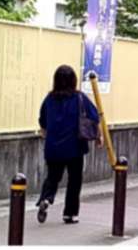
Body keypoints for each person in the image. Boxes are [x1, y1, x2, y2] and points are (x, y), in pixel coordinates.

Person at [36, 65, 101, 224]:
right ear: (73, 80)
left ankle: (46, 198)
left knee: (53, 177)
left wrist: (45, 132)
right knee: (74, 180)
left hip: (53, 146)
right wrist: (98, 136)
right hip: (75, 146)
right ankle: (70, 214)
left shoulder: (49, 99)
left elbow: (43, 120)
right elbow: (94, 116)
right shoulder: (79, 97)